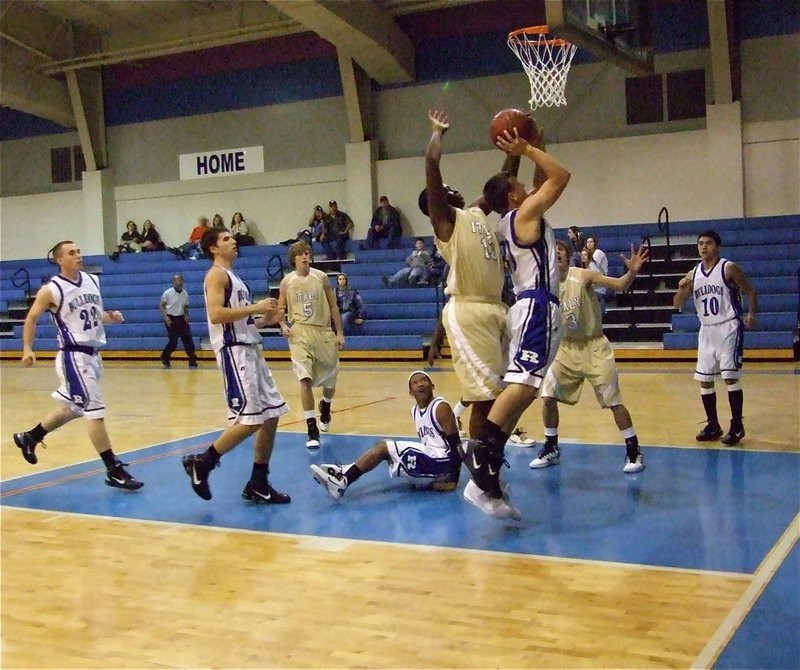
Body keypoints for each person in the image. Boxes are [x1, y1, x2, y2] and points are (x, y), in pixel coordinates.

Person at [459, 124, 571, 520]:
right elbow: (560, 176)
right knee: (523, 385)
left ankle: (489, 461)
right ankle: (480, 452)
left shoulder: (514, 216)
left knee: (525, 389)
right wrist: (525, 148)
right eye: (518, 184)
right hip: (536, 305)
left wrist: (536, 143)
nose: (526, 185)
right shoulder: (523, 214)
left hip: (534, 307)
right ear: (512, 196)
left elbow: (543, 178)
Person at [11, 240, 144, 490]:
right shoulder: (52, 289)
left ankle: (30, 437)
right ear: (59, 259)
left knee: (74, 407)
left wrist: (110, 317)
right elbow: (31, 318)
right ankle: (113, 469)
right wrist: (28, 349)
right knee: (95, 411)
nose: (78, 255)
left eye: (79, 251)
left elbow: (94, 315)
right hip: (73, 356)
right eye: (72, 253)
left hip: (93, 355)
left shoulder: (93, 280)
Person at [180, 227, 290, 504]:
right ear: (214, 248)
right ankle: (202, 462)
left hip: (250, 348)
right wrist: (256, 307)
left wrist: (267, 318)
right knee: (251, 418)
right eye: (226, 238)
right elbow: (216, 315)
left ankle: (258, 481)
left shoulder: (233, 277)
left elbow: (241, 319)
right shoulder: (216, 275)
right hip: (234, 352)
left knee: (272, 414)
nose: (233, 241)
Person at [533, 239, 649, 473]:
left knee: (613, 401)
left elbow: (619, 285)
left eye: (560, 251)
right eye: (552, 252)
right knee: (547, 394)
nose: (556, 255)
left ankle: (633, 449)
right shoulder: (546, 283)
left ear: (568, 256)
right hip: (565, 347)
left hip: (594, 346)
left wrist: (631, 273)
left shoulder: (583, 275)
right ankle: (552, 447)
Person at [309, 371, 461, 500]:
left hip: (443, 462)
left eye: (424, 380)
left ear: (432, 386)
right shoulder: (415, 411)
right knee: (383, 449)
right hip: (431, 461)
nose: (420, 384)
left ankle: (343, 481)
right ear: (410, 392)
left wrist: (453, 481)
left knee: (384, 448)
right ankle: (345, 471)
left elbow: (457, 446)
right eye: (415, 383)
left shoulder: (441, 408)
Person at [672, 230, 757, 445]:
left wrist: (751, 314)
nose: (703, 247)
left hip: (728, 326)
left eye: (708, 243)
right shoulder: (694, 273)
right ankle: (713, 424)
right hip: (707, 330)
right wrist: (682, 290)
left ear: (717, 247)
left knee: (729, 376)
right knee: (705, 379)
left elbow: (750, 291)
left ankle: (737, 425)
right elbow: (677, 304)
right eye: (700, 243)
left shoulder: (728, 268)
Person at [277, 241, 344, 449]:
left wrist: (340, 332)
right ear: (294, 259)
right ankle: (311, 427)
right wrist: (282, 324)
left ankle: (326, 405)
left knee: (330, 382)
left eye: (307, 253)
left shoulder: (321, 277)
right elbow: (280, 307)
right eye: (300, 254)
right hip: (299, 332)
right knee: (304, 378)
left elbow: (333, 305)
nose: (305, 256)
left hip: (322, 331)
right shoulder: (286, 282)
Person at [159, 273, 198, 369]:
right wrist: (166, 317)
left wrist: (186, 315)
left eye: (180, 280)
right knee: (173, 341)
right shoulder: (167, 293)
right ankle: (165, 357)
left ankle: (192, 359)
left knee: (188, 339)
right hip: (171, 319)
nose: (178, 282)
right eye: (176, 280)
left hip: (181, 318)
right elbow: (161, 305)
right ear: (173, 282)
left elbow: (186, 306)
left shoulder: (185, 293)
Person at [584, 235, 610, 312]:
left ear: (595, 243)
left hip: (600, 285)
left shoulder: (598, 253)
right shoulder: (587, 255)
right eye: (587, 242)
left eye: (591, 242)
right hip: (593, 285)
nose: (589, 244)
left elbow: (593, 271)